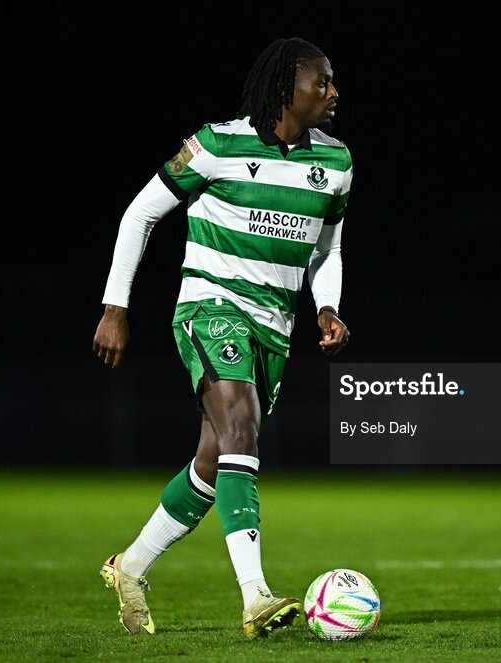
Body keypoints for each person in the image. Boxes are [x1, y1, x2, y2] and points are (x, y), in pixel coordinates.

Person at [91, 37, 351, 639]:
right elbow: (141, 213)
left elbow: (328, 248)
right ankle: (256, 596)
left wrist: (328, 308)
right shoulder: (213, 144)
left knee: (215, 462)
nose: (333, 92)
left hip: (276, 326)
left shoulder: (336, 162)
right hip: (211, 307)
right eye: (323, 82)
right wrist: (115, 307)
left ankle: (129, 567)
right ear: (287, 88)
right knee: (240, 427)